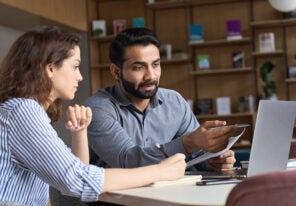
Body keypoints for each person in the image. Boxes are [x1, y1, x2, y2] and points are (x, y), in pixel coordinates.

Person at [0, 26, 187, 206]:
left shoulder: (25, 110)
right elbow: (77, 181)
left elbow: (75, 177)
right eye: (75, 67)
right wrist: (160, 171)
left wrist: (79, 133)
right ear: (50, 69)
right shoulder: (22, 110)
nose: (80, 76)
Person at [83, 27, 237, 174]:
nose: (151, 75)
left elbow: (196, 154)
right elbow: (128, 161)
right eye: (138, 67)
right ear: (116, 72)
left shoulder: (174, 101)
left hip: (167, 194)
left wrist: (213, 160)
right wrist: (187, 143)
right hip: (113, 199)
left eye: (155, 65)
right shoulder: (97, 109)